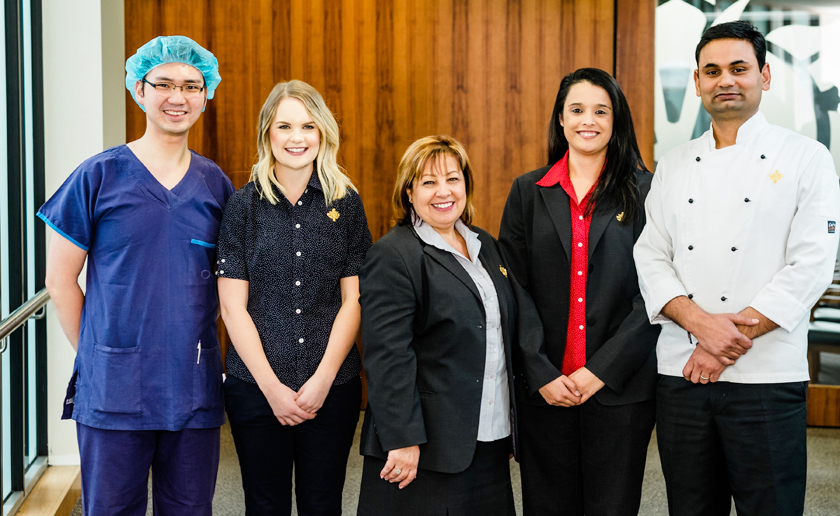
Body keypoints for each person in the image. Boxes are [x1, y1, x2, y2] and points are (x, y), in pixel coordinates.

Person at [634, 21, 840, 515]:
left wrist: (722, 346)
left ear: (764, 76)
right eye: (712, 71)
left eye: (739, 68)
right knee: (690, 506)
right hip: (682, 375)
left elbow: (811, 264)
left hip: (766, 377)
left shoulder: (807, 158)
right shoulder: (675, 162)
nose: (725, 79)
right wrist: (703, 327)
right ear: (699, 82)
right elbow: (651, 254)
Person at [39, 36, 233, 515]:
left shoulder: (216, 185)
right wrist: (98, 355)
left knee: (189, 509)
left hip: (192, 386)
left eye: (191, 85)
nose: (177, 97)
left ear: (205, 96)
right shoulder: (99, 176)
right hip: (113, 391)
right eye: (163, 83)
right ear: (139, 91)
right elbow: (61, 281)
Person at [498, 68, 660, 515]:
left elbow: (656, 293)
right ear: (561, 119)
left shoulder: (647, 193)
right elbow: (512, 288)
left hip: (620, 388)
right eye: (577, 110)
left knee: (612, 506)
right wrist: (540, 370)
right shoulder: (527, 192)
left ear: (616, 120)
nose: (588, 120)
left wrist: (600, 370)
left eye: (600, 111)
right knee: (548, 505)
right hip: (545, 388)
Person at [356, 135, 537, 516]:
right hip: (424, 448)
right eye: (428, 182)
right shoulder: (394, 255)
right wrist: (403, 439)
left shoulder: (485, 246)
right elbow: (388, 357)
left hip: (487, 439)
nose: (444, 191)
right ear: (409, 192)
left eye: (453, 179)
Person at [217, 79, 371, 516]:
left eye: (308, 126)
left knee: (323, 505)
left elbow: (353, 300)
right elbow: (232, 307)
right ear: (268, 133)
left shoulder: (347, 204)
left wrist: (322, 380)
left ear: (323, 133)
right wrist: (272, 389)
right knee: (264, 506)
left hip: (333, 387)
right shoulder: (242, 207)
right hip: (256, 389)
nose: (297, 138)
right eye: (284, 126)